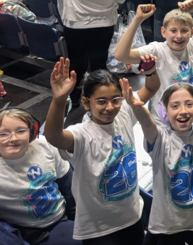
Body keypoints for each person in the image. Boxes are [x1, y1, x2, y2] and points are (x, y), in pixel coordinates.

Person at [44, 58, 160, 243]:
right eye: (101, 101)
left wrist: (151, 71)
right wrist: (59, 100)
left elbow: (151, 88)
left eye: (115, 99)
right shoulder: (82, 134)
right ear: (86, 103)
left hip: (132, 215)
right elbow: (54, 136)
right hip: (99, 227)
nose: (110, 107)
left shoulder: (124, 113)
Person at [121, 75, 193, 242]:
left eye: (189, 104)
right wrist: (135, 107)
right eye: (175, 106)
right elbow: (147, 123)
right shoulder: (160, 138)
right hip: (170, 221)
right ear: (165, 112)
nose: (183, 110)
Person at [115, 0, 193, 121]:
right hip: (165, 121)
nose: (179, 36)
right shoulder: (157, 50)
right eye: (173, 31)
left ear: (191, 32)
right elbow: (121, 55)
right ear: (163, 32)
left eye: (184, 31)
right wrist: (137, 19)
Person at [0, 108, 79, 245]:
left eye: (21, 131)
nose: (13, 138)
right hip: (24, 231)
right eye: (3, 134)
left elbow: (67, 184)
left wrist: (76, 217)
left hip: (60, 220)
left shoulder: (44, 145)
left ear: (32, 132)